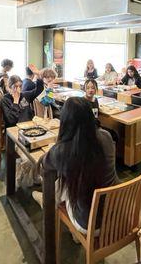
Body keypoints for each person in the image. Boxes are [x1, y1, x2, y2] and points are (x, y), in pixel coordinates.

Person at [43, 97, 118, 233]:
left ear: (65, 121)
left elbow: (44, 166)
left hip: (89, 224)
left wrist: (56, 145)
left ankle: (45, 202)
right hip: (116, 215)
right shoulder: (106, 136)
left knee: (61, 185)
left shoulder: (62, 150)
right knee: (68, 183)